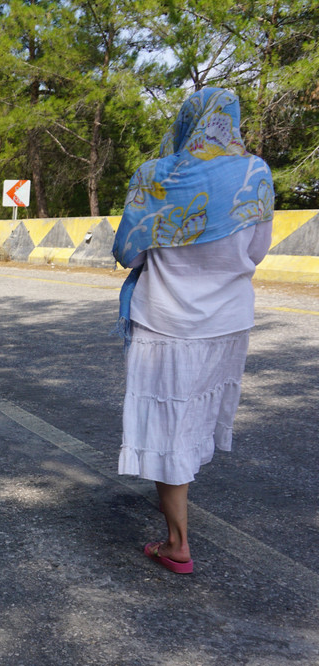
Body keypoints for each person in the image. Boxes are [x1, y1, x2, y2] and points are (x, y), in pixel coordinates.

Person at [112, 87, 274, 575]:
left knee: (168, 429)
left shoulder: (155, 177)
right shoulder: (255, 173)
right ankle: (177, 530)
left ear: (187, 122)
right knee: (190, 422)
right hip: (226, 324)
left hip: (166, 323)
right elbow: (257, 251)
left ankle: (178, 542)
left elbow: (129, 252)